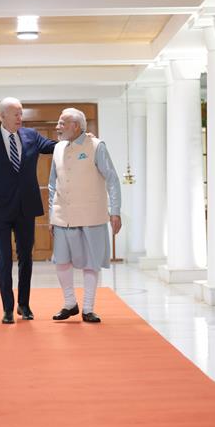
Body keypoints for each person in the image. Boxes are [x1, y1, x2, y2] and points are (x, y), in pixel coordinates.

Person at [0, 97, 56, 324]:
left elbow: (53, 147)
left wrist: (75, 139)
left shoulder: (31, 136)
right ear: (2, 117)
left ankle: (24, 305)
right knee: (5, 259)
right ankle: (7, 308)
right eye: (16, 114)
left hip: (26, 208)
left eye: (21, 113)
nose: (21, 117)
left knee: (26, 258)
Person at [49, 108, 121, 323]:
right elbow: (53, 184)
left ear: (76, 126)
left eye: (62, 123)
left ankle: (88, 308)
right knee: (61, 262)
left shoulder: (97, 146)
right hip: (63, 216)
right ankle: (69, 303)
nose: (57, 127)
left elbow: (113, 179)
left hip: (92, 215)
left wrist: (115, 211)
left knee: (91, 263)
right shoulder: (58, 148)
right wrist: (52, 214)